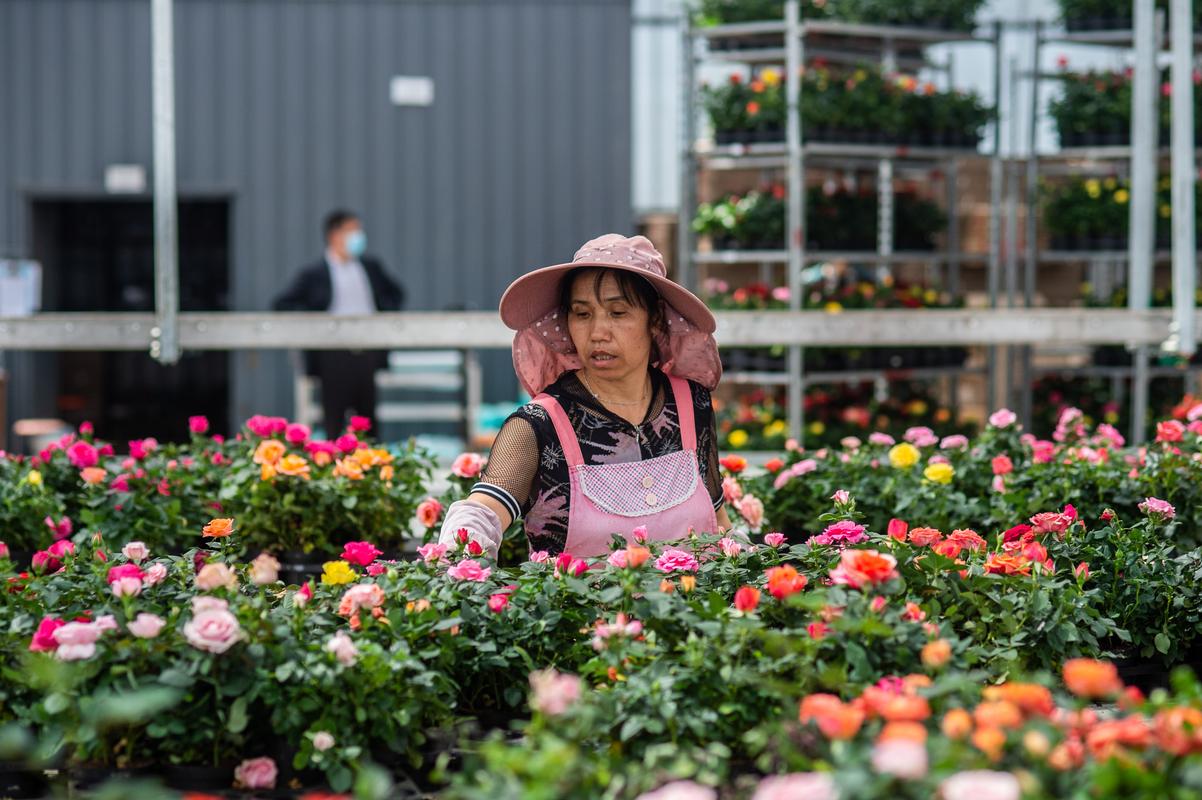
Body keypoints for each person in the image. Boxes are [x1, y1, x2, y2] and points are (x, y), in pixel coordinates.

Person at [438, 233, 731, 559]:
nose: (597, 333)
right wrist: (458, 568)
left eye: (618, 313)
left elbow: (718, 522)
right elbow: (483, 512)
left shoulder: (693, 404)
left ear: (655, 319)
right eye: (582, 313)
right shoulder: (539, 425)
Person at [273, 210, 404, 437]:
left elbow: (396, 294)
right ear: (335, 235)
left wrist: (381, 319)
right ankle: (334, 465)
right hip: (332, 354)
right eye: (353, 230)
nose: (358, 236)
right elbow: (282, 304)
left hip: (367, 350)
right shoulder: (314, 274)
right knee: (334, 417)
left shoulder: (370, 267)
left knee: (367, 418)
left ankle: (370, 466)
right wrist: (314, 323)